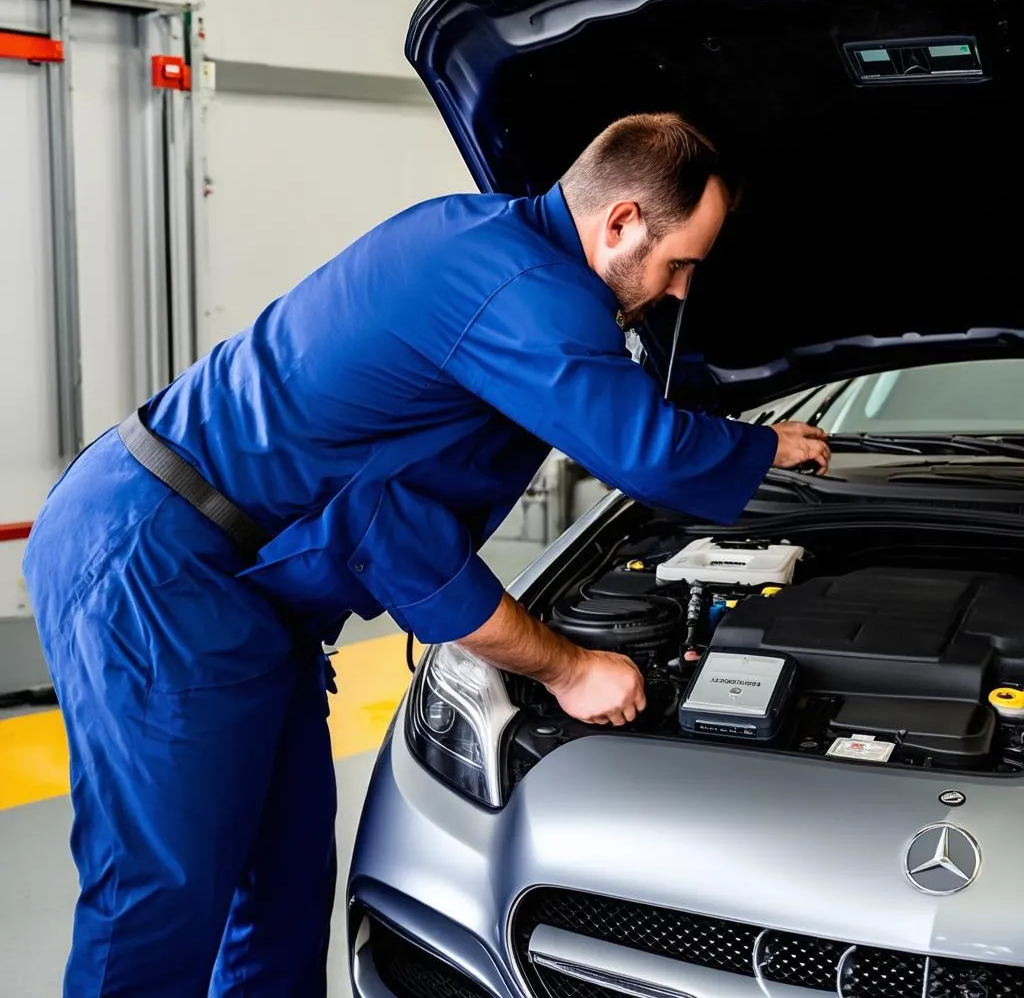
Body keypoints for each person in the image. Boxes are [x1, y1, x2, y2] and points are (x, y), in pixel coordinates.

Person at [22, 112, 830, 996]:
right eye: (680, 263)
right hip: (157, 558)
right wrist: (568, 669)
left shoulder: (486, 242)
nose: (680, 293)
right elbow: (621, 460)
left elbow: (399, 507)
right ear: (622, 220)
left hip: (245, 584)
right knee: (161, 890)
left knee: (283, 882)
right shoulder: (525, 294)